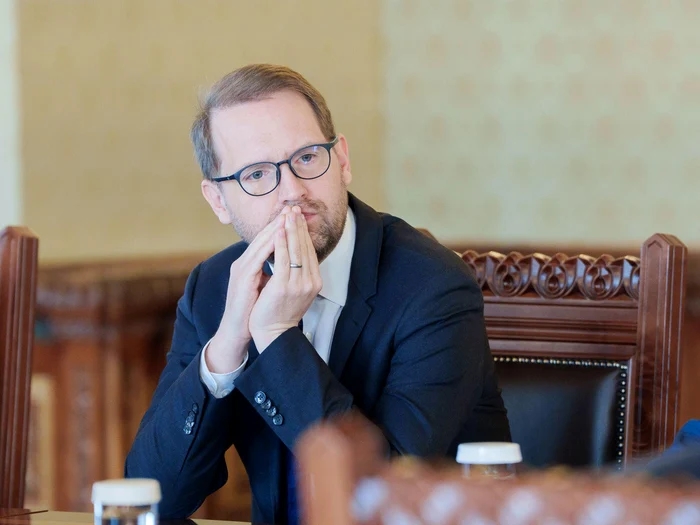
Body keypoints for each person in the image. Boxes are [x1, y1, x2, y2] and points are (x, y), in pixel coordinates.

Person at [125, 64, 511, 525]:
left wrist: (275, 334)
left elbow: (380, 504)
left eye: (307, 157)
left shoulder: (433, 287)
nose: (292, 191)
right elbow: (152, 499)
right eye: (257, 174)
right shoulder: (213, 287)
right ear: (219, 201)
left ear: (342, 160)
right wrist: (227, 347)